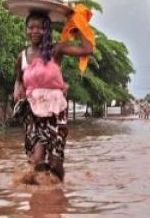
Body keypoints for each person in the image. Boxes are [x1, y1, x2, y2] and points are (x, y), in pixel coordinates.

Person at [13, 11, 93, 182]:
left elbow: (88, 49)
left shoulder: (56, 50)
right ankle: (38, 201)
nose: (34, 31)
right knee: (37, 160)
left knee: (55, 164)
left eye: (39, 28)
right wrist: (17, 88)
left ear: (47, 30)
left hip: (56, 114)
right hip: (34, 114)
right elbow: (19, 80)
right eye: (30, 27)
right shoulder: (22, 56)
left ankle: (58, 194)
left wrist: (75, 21)